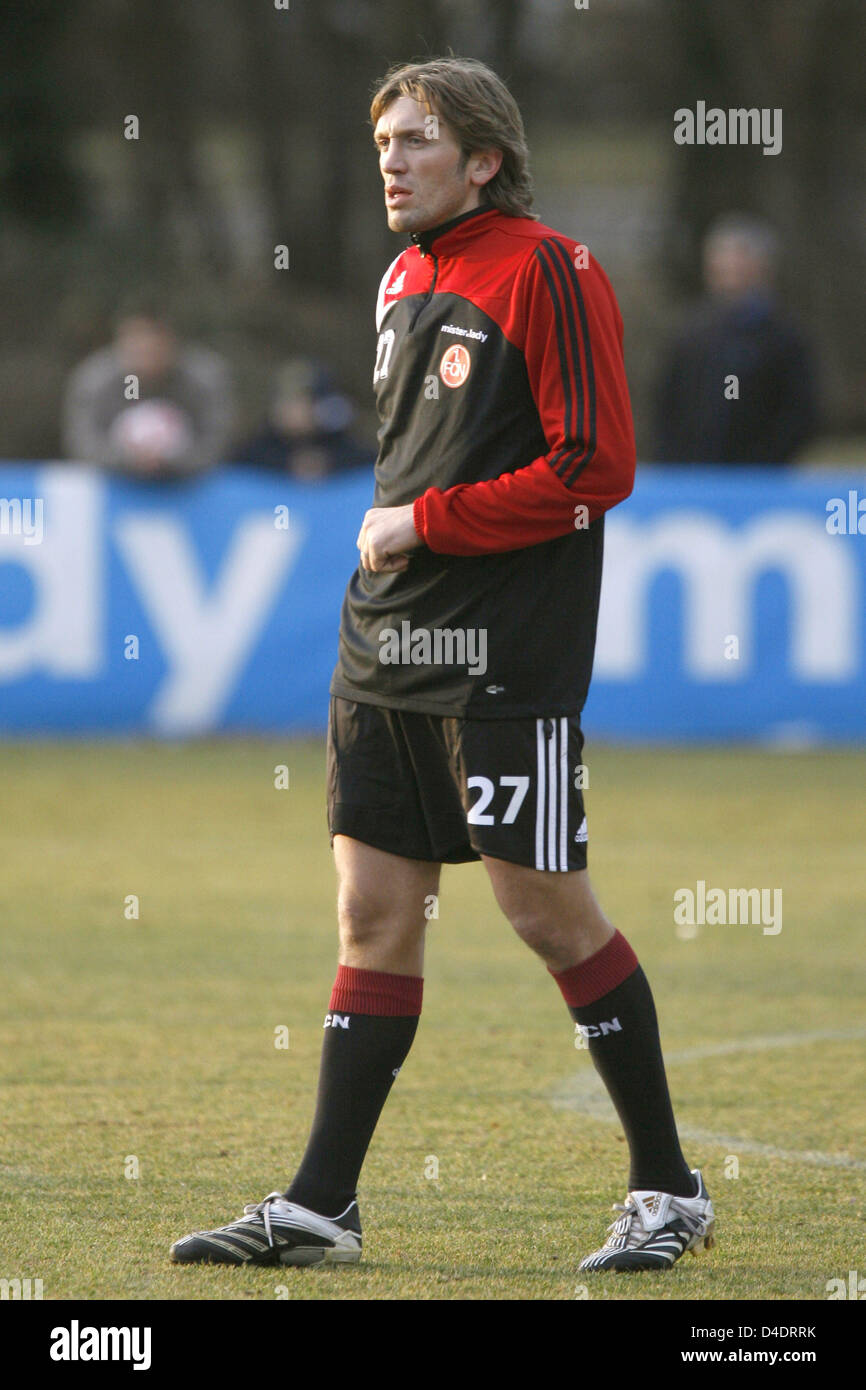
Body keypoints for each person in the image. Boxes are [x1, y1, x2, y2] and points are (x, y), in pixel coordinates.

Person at [170, 56, 715, 1275]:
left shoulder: (548, 268)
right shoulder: (402, 275)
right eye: (381, 142)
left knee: (544, 911)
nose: (391, 161)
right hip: (384, 649)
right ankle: (321, 1206)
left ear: (482, 159)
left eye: (417, 140)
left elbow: (594, 470)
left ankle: (667, 1189)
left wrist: (427, 523)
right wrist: (393, 545)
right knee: (372, 915)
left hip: (502, 659)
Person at [653, 214, 817, 464]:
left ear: (763, 269)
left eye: (739, 266)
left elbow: (800, 411)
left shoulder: (784, 338)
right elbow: (667, 404)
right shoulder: (691, 335)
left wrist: (766, 460)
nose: (729, 275)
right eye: (722, 267)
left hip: (759, 479)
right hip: (692, 476)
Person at [62, 304, 234, 477]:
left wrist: (172, 460)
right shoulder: (96, 380)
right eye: (137, 345)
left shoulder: (203, 379)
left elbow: (218, 438)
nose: (146, 353)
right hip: (114, 486)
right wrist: (127, 459)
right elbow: (82, 441)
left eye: (154, 347)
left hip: (191, 488)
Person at [233, 357, 370, 479]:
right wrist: (286, 464)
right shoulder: (256, 449)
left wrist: (328, 465)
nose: (292, 411)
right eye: (285, 400)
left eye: (302, 402)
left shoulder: (344, 446)